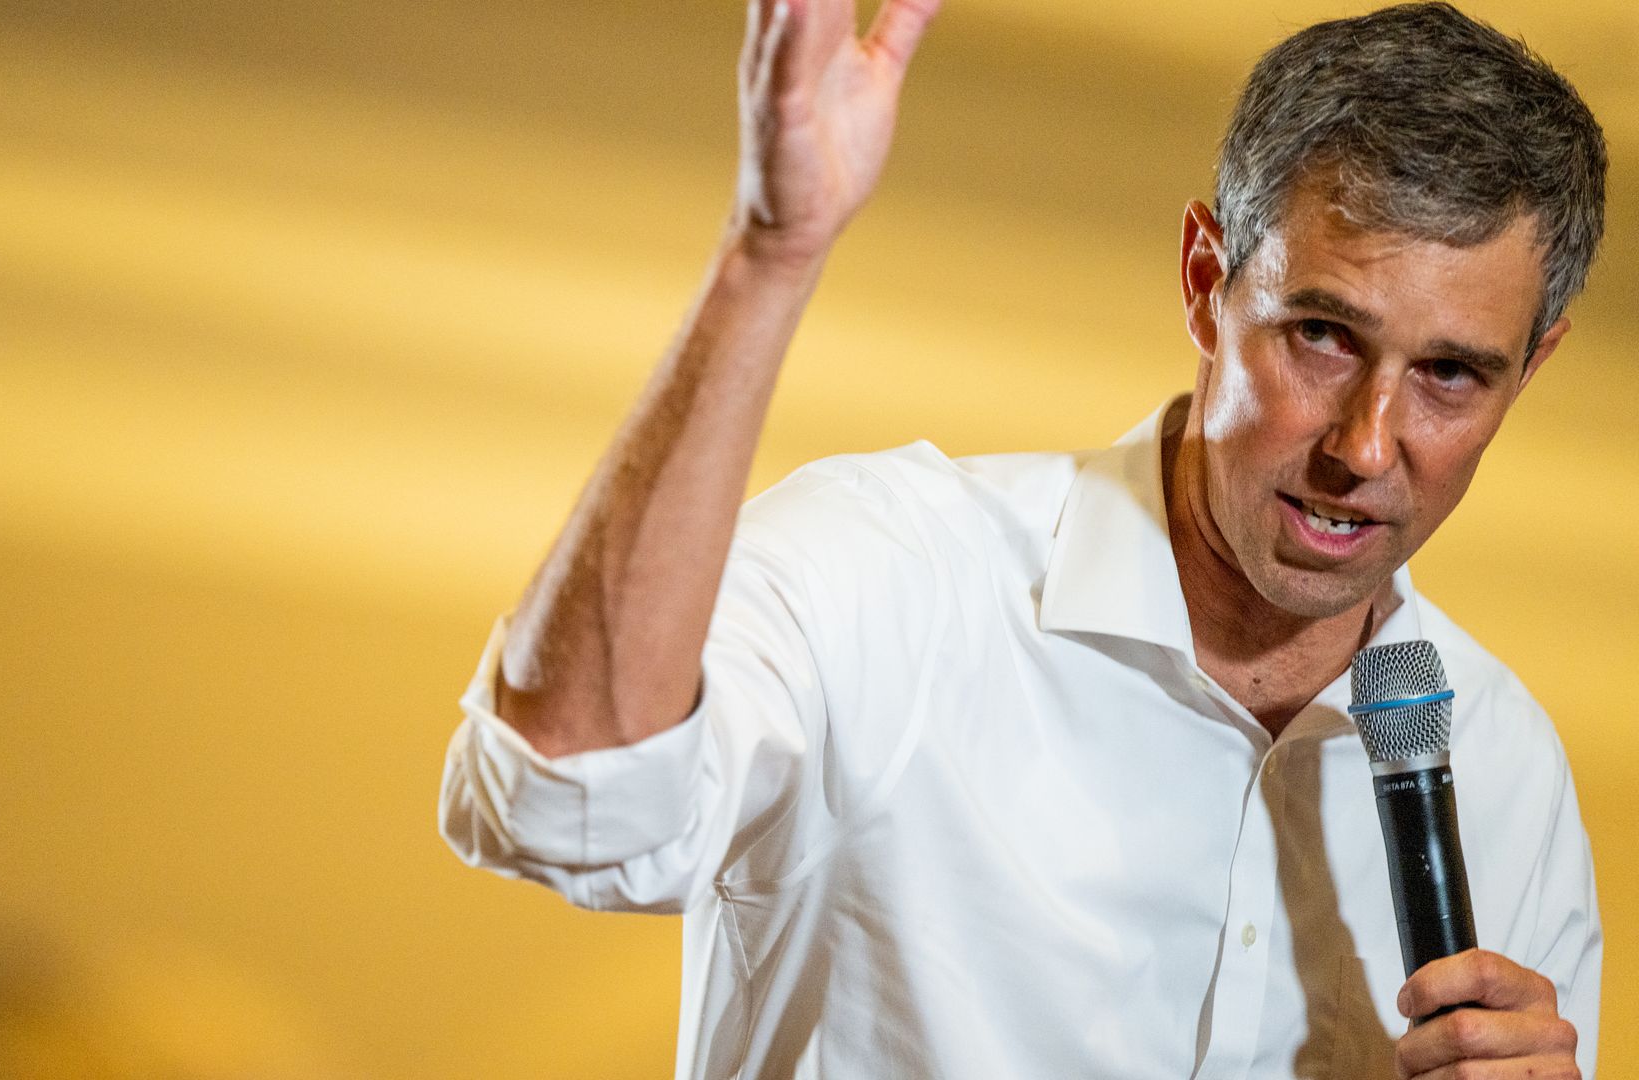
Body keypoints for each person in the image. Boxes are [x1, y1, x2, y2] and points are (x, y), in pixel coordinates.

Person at [438, 1, 1606, 1076]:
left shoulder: (1511, 771)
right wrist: (768, 257)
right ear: (1206, 282)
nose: (1365, 445)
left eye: (1450, 374)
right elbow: (564, 803)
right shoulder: (902, 574)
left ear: (1531, 367)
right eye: (1321, 336)